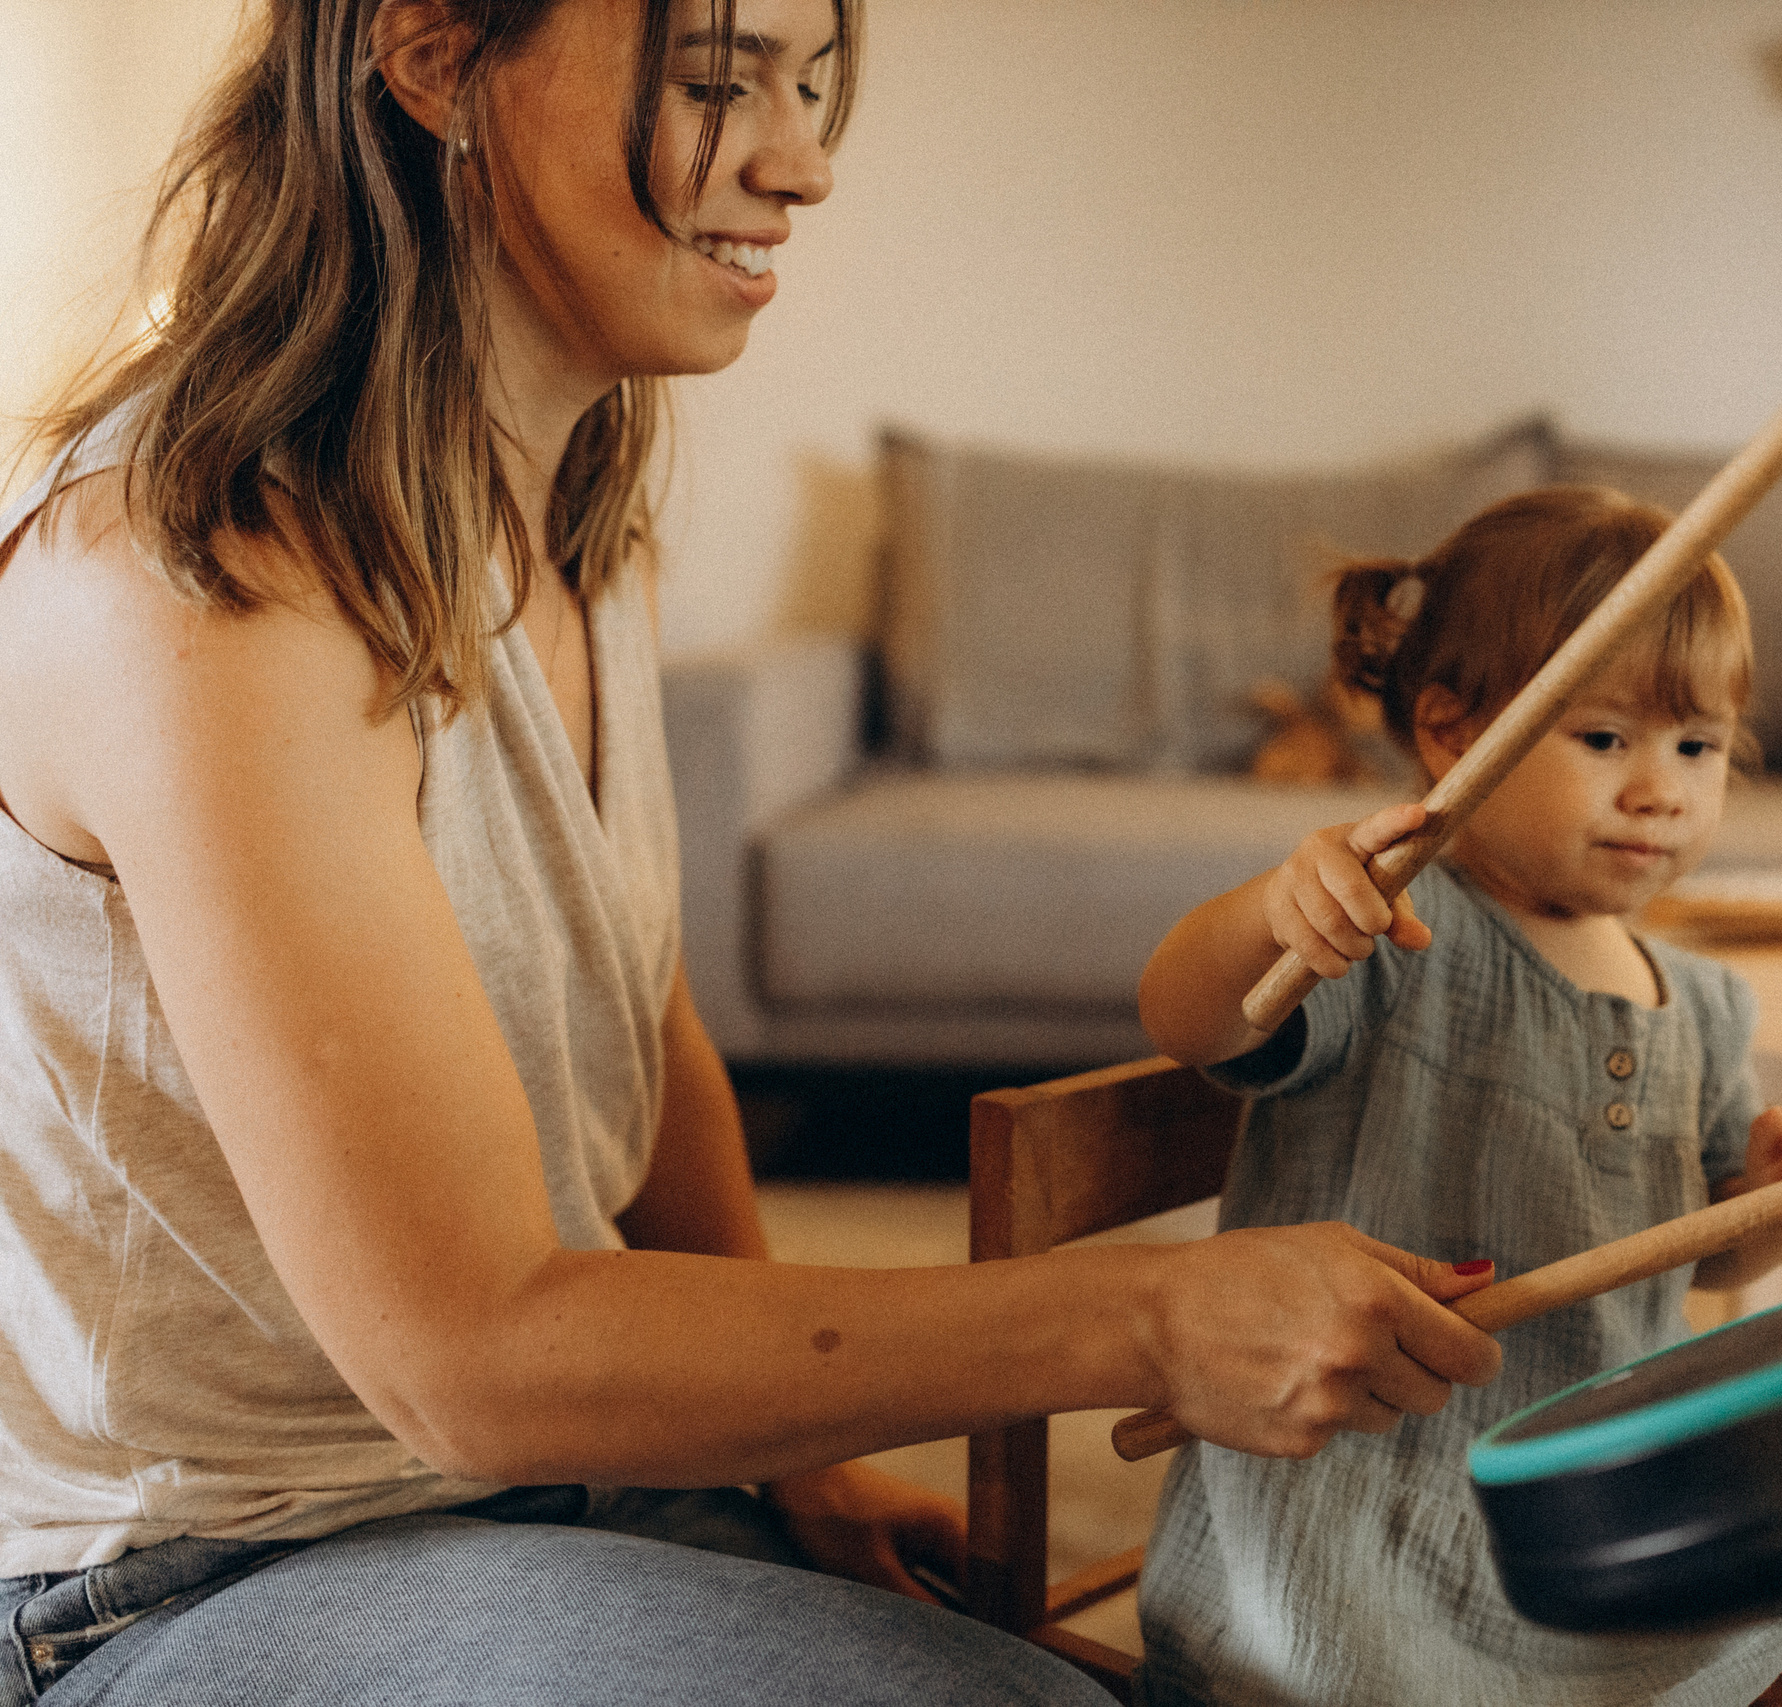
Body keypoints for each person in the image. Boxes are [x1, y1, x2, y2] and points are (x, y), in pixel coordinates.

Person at [0, 3, 1510, 1701]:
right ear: (430, 57)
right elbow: (476, 1353)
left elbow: (634, 1020)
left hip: (559, 1494)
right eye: (720, 84)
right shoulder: (197, 577)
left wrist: (801, 1458)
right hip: (208, 1575)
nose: (799, 164)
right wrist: (1147, 1317)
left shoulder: (565, 507)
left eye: (809, 85)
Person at [1130, 487, 1782, 1707]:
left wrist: (1774, 1215)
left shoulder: (1703, 1003)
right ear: (1449, 731)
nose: (1661, 791)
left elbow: (1695, 1263)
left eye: (1698, 749)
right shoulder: (1392, 930)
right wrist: (1276, 915)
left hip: (1598, 1510)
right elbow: (1185, 1016)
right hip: (1357, 1534)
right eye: (1605, 740)